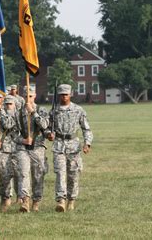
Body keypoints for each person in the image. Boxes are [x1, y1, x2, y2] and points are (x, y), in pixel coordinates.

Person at [46, 84, 93, 212]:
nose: (64, 97)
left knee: (73, 175)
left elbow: (86, 128)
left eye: (66, 94)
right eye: (61, 94)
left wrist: (87, 143)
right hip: (59, 146)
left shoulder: (78, 110)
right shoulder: (54, 111)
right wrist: (48, 134)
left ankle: (71, 200)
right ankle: (61, 200)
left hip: (73, 146)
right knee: (60, 173)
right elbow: (47, 128)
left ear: (71, 94)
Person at [14, 86, 49, 212]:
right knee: (23, 173)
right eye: (25, 96)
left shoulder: (42, 110)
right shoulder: (18, 112)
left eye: (30, 96)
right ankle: (25, 200)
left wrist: (33, 113)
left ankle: (36, 200)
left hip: (38, 147)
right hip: (23, 148)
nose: (27, 99)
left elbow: (45, 125)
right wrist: (22, 140)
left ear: (34, 95)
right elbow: (13, 133)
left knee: (37, 174)